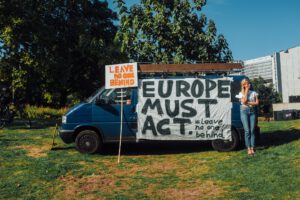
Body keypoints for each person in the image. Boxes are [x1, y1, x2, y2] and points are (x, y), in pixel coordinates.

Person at [238, 79, 259, 156]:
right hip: (244, 111)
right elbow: (243, 101)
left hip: (252, 112)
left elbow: (257, 103)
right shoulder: (240, 94)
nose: (248, 85)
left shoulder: (254, 93)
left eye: (248, 83)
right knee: (247, 130)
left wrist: (248, 102)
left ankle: (253, 147)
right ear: (243, 85)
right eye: (246, 84)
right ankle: (248, 148)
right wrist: (246, 91)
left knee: (252, 130)